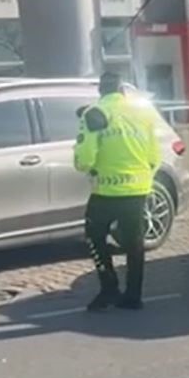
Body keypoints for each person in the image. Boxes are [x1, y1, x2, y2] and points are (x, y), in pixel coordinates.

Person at [74, 72, 161, 312]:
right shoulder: (142, 112)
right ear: (122, 90)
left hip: (107, 189)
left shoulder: (95, 113)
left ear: (101, 91)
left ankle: (109, 287)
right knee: (135, 243)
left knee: (94, 235)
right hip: (138, 187)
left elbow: (85, 159)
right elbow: (154, 155)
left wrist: (87, 166)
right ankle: (134, 296)